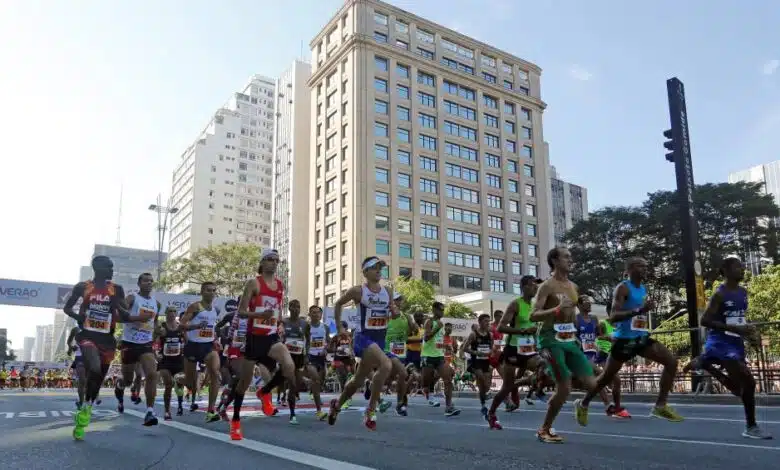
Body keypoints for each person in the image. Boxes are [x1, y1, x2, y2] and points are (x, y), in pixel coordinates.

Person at [575, 257, 683, 427]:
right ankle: (583, 403)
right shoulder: (623, 288)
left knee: (671, 361)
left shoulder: (642, 288)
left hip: (640, 337)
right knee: (605, 378)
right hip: (624, 341)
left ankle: (660, 406)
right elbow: (613, 317)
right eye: (641, 266)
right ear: (630, 269)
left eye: (646, 266)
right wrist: (639, 310)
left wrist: (643, 311)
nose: (645, 269)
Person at [64, 255, 154, 440]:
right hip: (88, 335)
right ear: (97, 268)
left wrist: (138, 318)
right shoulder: (83, 287)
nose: (112, 271)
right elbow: (67, 308)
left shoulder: (116, 289)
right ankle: (84, 409)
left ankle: (86, 407)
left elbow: (124, 315)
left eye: (113, 268)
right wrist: (77, 317)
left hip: (107, 340)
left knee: (98, 377)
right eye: (109, 267)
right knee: (95, 368)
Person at [327, 256, 407, 430]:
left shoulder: (388, 291)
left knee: (357, 381)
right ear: (365, 272)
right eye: (374, 267)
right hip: (363, 338)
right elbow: (339, 304)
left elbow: (393, 313)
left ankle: (336, 407)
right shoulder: (358, 291)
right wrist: (340, 326)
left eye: (380, 267)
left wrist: (394, 312)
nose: (379, 270)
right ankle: (370, 411)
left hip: (379, 341)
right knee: (386, 366)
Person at [532, 247, 601, 443]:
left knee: (593, 384)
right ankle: (544, 429)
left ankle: (582, 404)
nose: (571, 260)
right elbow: (533, 315)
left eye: (571, 256)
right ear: (554, 261)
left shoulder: (574, 286)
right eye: (566, 257)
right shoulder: (546, 286)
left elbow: (574, 312)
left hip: (569, 339)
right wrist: (556, 309)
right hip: (549, 339)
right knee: (564, 387)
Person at [699, 256, 771, 439]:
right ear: (727, 270)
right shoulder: (719, 294)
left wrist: (750, 333)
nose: (743, 269)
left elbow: (739, 318)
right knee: (749, 382)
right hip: (720, 341)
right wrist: (733, 328)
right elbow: (705, 320)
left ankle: (705, 361)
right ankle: (751, 426)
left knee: (742, 387)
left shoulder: (743, 292)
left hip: (736, 342)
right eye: (738, 267)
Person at [232, 248, 296, 441]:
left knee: (289, 366)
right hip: (254, 338)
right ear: (262, 262)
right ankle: (235, 421)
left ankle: (264, 391)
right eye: (269, 259)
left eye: (276, 260)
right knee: (243, 383)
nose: (274, 263)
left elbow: (275, 310)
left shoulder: (280, 285)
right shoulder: (253, 283)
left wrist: (277, 322)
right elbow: (241, 312)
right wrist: (260, 315)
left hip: (271, 336)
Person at [486, 275, 542, 430]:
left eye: (536, 286)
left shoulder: (534, 306)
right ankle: (491, 413)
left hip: (529, 349)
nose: (535, 288)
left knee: (545, 368)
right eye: (532, 285)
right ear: (523, 287)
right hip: (513, 349)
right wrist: (523, 330)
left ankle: (525, 386)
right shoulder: (515, 304)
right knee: (506, 387)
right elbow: (501, 327)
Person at [116, 273, 161, 426]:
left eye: (151, 281)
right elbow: (118, 317)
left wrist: (159, 332)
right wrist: (137, 318)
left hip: (146, 344)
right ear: (139, 283)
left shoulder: (157, 303)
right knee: (128, 380)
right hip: (129, 343)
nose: (149, 283)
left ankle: (149, 411)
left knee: (152, 374)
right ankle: (120, 385)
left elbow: (154, 324)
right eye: (146, 281)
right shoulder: (132, 298)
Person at [575, 295, 630, 419]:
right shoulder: (576, 319)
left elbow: (599, 336)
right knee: (602, 375)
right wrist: (577, 343)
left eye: (590, 302)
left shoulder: (594, 319)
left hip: (594, 354)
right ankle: (610, 406)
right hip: (580, 355)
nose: (589, 304)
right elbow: (571, 336)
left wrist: (610, 338)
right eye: (585, 302)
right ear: (578, 305)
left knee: (612, 379)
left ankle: (609, 407)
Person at [180, 282, 222, 423]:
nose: (212, 293)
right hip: (193, 346)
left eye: (214, 290)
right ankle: (178, 380)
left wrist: (215, 338)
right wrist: (196, 326)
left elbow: (211, 327)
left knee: (215, 373)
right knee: (190, 384)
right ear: (202, 292)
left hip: (208, 346)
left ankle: (211, 411)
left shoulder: (215, 310)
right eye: (208, 290)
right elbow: (182, 325)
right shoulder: (195, 307)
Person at [420, 301, 461, 417]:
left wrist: (445, 346)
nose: (441, 312)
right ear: (433, 310)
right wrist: (437, 328)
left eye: (443, 310)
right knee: (426, 382)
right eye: (439, 310)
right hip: (427, 356)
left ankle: (448, 406)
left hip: (439, 356)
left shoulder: (441, 324)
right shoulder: (429, 321)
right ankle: (426, 390)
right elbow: (427, 338)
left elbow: (437, 342)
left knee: (448, 379)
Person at [156, 306, 186, 420]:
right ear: (166, 313)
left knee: (180, 384)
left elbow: (187, 341)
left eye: (174, 311)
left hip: (178, 360)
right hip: (165, 361)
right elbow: (153, 340)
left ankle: (179, 405)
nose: (172, 313)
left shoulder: (180, 327)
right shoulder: (162, 327)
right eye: (170, 311)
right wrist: (155, 354)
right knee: (168, 384)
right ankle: (167, 411)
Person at [281, 299, 308, 425]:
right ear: (289, 308)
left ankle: (288, 395)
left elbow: (308, 339)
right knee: (291, 384)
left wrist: (306, 354)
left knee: (297, 383)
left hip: (299, 356)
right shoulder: (284, 322)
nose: (296, 309)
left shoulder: (304, 323)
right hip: (287, 356)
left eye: (298, 306)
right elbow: (278, 337)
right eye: (293, 306)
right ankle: (292, 414)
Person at [304, 304, 331, 420]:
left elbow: (328, 342)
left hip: (321, 358)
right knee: (316, 380)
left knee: (319, 382)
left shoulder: (325, 327)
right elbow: (303, 342)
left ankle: (308, 383)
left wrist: (325, 350)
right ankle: (319, 410)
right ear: (309, 315)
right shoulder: (306, 327)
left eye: (318, 312)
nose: (316, 314)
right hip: (310, 357)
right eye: (313, 312)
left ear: (321, 315)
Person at [463, 314, 493, 416]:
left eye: (489, 321)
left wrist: (491, 352)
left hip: (486, 362)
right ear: (479, 322)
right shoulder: (473, 334)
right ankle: (483, 403)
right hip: (476, 362)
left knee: (485, 386)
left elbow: (492, 349)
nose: (488, 323)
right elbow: (465, 348)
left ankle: (483, 403)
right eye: (485, 321)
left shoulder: (490, 335)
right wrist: (476, 353)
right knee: (481, 379)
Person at [66, 326, 85, 409]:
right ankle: (81, 402)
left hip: (91, 356)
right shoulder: (76, 329)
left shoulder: (94, 327)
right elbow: (69, 342)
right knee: (82, 381)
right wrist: (71, 348)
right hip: (80, 357)